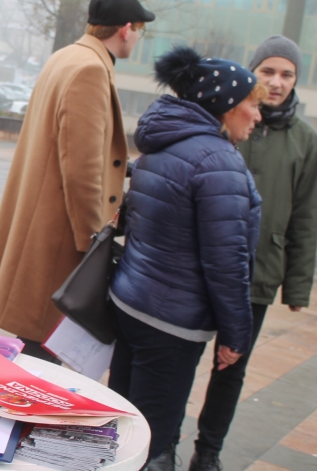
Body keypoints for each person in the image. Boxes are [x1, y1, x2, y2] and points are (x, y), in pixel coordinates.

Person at [108, 46, 266, 471]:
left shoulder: (163, 145)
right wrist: (236, 334)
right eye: (251, 104)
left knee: (122, 426)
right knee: (152, 439)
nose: (257, 115)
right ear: (226, 106)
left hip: (130, 303)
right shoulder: (219, 162)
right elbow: (227, 261)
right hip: (171, 323)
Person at [0, 0, 154, 360]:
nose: (138, 38)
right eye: (140, 30)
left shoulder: (67, 56)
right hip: (60, 238)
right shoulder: (90, 69)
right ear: (125, 29)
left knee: (30, 348)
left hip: (41, 224)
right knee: (42, 356)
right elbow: (82, 169)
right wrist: (93, 241)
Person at [189, 36, 317, 471]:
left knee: (231, 367)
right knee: (183, 356)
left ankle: (208, 451)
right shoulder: (226, 119)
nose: (277, 82)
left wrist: (296, 286)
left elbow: (306, 215)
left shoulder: (305, 140)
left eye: (287, 74)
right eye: (268, 71)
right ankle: (163, 440)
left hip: (258, 273)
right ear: (252, 73)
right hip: (202, 266)